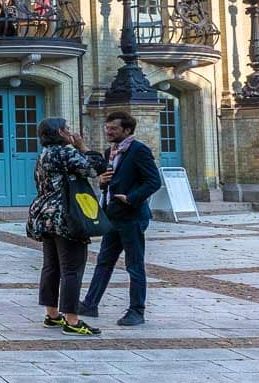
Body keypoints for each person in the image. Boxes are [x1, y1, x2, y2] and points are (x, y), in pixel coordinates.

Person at [79, 111, 161, 326]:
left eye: (113, 128)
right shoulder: (110, 152)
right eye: (107, 128)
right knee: (104, 261)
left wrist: (131, 198)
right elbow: (110, 181)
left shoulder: (138, 150)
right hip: (112, 215)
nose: (109, 132)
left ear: (127, 130)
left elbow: (153, 181)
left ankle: (137, 311)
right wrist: (103, 181)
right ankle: (90, 304)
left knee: (134, 264)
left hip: (131, 216)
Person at [27, 117, 106, 336]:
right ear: (60, 132)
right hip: (66, 216)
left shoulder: (44, 154)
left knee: (51, 266)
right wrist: (82, 146)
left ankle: (52, 315)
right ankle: (72, 320)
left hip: (45, 215)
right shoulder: (65, 153)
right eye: (68, 129)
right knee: (72, 268)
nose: (71, 132)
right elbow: (96, 168)